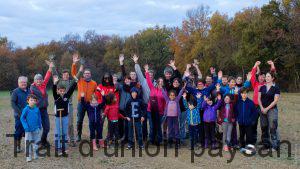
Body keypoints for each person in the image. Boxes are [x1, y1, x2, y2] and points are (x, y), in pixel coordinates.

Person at [71, 53, 97, 142]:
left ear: (90, 74)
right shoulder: (79, 80)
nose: (87, 74)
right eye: (85, 73)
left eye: (88, 73)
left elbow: (95, 94)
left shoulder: (94, 83)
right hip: (81, 103)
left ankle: (92, 136)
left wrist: (95, 101)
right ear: (83, 74)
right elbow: (73, 73)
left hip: (90, 104)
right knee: (79, 120)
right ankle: (78, 135)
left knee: (92, 120)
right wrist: (74, 64)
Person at [251, 60, 276, 144]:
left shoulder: (266, 84)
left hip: (263, 107)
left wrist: (272, 65)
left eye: (263, 76)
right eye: (260, 76)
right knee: (253, 123)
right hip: (255, 106)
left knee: (264, 125)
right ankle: (253, 139)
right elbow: (252, 75)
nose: (261, 78)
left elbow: (272, 74)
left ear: (265, 78)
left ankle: (264, 140)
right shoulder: (255, 83)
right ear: (258, 77)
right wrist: (255, 65)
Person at [52, 74, 78, 155]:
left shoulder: (67, 96)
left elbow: (72, 89)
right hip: (57, 117)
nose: (62, 92)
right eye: (61, 91)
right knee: (58, 132)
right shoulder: (56, 97)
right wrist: (55, 83)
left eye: (63, 91)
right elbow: (53, 90)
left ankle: (64, 147)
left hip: (65, 117)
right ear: (58, 90)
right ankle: (58, 148)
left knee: (64, 132)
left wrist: (76, 82)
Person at [30, 62, 53, 148]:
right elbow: (29, 100)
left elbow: (48, 75)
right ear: (34, 81)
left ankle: (43, 140)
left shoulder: (43, 85)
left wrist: (50, 67)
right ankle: (38, 143)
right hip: (36, 110)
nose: (39, 81)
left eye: (40, 79)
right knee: (37, 128)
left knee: (46, 127)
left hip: (44, 110)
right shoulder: (32, 88)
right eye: (37, 80)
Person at [258, 72, 280, 151]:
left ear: (272, 78)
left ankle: (275, 146)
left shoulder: (276, 88)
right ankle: (266, 145)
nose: (266, 78)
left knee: (273, 127)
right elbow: (259, 98)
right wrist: (262, 108)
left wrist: (267, 109)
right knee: (264, 127)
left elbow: (275, 100)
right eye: (266, 76)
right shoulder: (262, 87)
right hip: (262, 110)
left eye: (268, 76)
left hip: (272, 110)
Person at [145, 64, 166, 145]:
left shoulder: (164, 92)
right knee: (151, 125)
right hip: (150, 111)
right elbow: (148, 80)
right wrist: (146, 71)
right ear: (157, 82)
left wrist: (164, 112)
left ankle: (159, 140)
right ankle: (151, 139)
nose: (160, 83)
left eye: (161, 82)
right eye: (159, 81)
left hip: (159, 112)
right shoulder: (152, 88)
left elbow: (165, 102)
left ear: (163, 83)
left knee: (158, 126)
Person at [162, 83, 185, 148]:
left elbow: (180, 94)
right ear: (169, 96)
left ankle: (177, 142)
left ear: (175, 96)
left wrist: (183, 88)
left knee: (176, 129)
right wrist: (161, 88)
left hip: (175, 117)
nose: (172, 96)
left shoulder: (177, 100)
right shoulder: (167, 100)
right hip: (169, 117)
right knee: (170, 129)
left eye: (173, 95)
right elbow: (164, 94)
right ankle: (170, 142)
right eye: (171, 95)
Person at [11, 76, 30, 153]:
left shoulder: (29, 91)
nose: (23, 83)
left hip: (28, 116)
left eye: (25, 82)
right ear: (18, 83)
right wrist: (20, 113)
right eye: (22, 82)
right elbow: (13, 103)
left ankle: (28, 146)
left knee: (27, 131)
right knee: (18, 131)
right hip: (19, 116)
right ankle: (17, 146)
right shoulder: (15, 92)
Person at [58, 69, 77, 147]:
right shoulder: (59, 82)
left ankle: (72, 140)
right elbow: (54, 73)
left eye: (67, 75)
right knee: (61, 123)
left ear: (69, 75)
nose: (66, 76)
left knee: (70, 124)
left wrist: (81, 68)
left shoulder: (71, 82)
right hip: (60, 105)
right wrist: (52, 66)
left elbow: (77, 76)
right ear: (62, 76)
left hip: (69, 105)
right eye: (64, 75)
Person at [20, 94, 42, 162]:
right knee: (28, 142)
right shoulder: (26, 109)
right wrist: (26, 127)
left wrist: (39, 125)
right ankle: (28, 156)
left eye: (34, 100)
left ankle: (36, 154)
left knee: (36, 142)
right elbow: (22, 118)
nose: (32, 101)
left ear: (36, 102)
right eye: (31, 100)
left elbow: (39, 118)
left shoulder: (37, 109)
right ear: (28, 101)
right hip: (28, 130)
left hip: (36, 129)